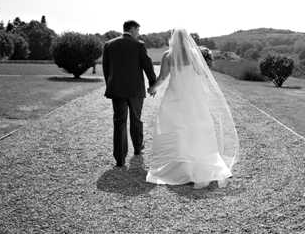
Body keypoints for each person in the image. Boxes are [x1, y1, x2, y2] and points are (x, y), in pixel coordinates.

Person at [146, 29, 239, 189]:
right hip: (194, 98)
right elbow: (202, 73)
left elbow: (162, 77)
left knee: (178, 130)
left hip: (174, 97)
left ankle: (183, 166)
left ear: (173, 39)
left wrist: (153, 88)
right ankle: (199, 165)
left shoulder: (168, 55)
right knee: (197, 129)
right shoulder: (194, 54)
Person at [102, 20, 157, 167]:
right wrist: (153, 84)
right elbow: (147, 65)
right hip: (135, 90)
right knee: (136, 119)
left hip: (117, 90)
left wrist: (111, 86)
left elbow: (106, 69)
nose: (138, 33)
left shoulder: (109, 44)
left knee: (119, 122)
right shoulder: (139, 45)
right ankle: (138, 148)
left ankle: (120, 158)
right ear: (132, 29)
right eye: (138, 30)